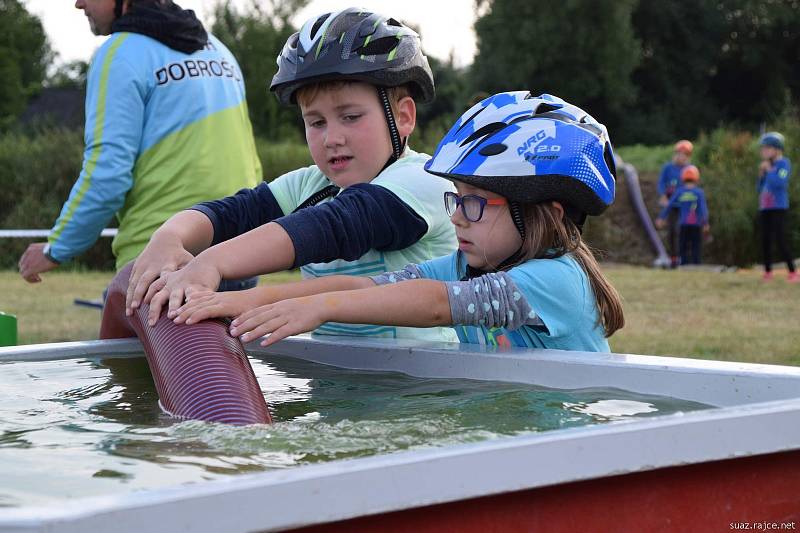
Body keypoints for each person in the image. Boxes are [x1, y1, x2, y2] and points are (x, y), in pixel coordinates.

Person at [173, 92, 626, 352]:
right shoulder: (465, 267)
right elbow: (370, 288)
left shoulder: (556, 280)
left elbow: (435, 305)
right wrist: (254, 302)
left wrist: (320, 309)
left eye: (474, 204)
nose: (456, 217)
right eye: (456, 199)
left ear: (544, 212)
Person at [121, 7, 458, 342]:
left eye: (351, 116)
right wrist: (168, 238)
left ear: (403, 117)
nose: (332, 138)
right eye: (316, 122)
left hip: (427, 389)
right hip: (335, 388)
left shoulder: (425, 181)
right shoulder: (310, 185)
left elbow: (338, 225)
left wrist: (211, 263)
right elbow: (232, 214)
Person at [18, 0, 261, 286]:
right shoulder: (219, 50)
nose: (78, 3)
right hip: (240, 256)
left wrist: (56, 248)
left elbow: (107, 176)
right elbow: (249, 160)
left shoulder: (120, 53)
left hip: (160, 261)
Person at [757, 132, 796, 282]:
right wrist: (761, 176)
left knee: (780, 239)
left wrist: (769, 171)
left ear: (777, 149)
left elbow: (780, 183)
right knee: (765, 239)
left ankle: (793, 272)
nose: (763, 151)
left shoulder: (784, 164)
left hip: (778, 207)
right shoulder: (767, 167)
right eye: (763, 148)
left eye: (767, 148)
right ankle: (768, 272)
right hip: (765, 208)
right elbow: (760, 189)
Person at [655, 165, 710, 265]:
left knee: (683, 246)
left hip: (683, 224)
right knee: (695, 246)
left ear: (683, 178)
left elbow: (669, 205)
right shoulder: (699, 192)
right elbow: (703, 209)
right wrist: (705, 223)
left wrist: (661, 218)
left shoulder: (679, 192)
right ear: (696, 178)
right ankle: (696, 264)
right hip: (696, 225)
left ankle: (683, 265)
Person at [657, 140, 693, 268]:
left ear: (688, 156)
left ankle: (686, 258)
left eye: (685, 154)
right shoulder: (668, 168)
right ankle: (673, 258)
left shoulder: (690, 169)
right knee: (673, 231)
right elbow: (661, 183)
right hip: (671, 206)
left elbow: (693, 187)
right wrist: (663, 196)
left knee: (685, 231)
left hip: (686, 207)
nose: (681, 157)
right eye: (679, 153)